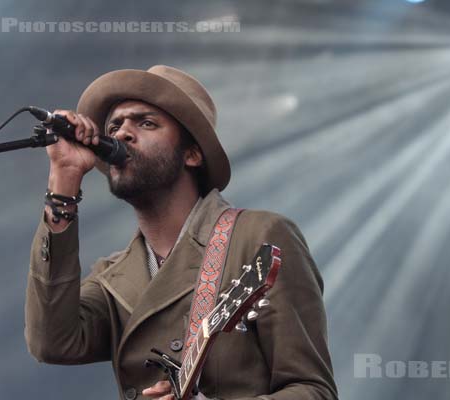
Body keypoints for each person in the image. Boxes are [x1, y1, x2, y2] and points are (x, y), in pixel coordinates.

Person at [25, 65, 338, 400]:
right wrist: (64, 178)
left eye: (146, 123)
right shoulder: (112, 278)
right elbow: (50, 342)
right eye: (114, 126)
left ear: (192, 154)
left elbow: (314, 391)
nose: (122, 134)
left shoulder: (260, 236)